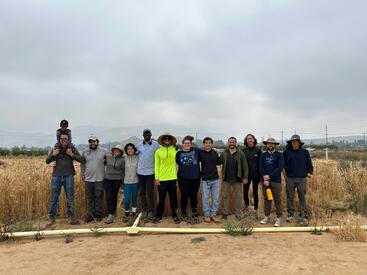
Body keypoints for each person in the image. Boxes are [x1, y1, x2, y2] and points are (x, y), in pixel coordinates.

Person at [45, 133, 84, 226]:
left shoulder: (72, 148)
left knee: (70, 198)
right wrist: (53, 155)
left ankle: (71, 218)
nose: (64, 140)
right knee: (54, 198)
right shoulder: (55, 148)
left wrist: (72, 155)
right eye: (62, 138)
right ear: (59, 139)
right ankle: (51, 218)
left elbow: (81, 159)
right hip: (56, 176)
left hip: (69, 176)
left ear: (68, 139)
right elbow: (47, 161)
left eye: (65, 138)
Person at [283, 134, 313, 226]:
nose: (295, 143)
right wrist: (286, 177)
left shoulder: (305, 152)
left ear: (299, 142)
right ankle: (290, 213)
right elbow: (282, 166)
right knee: (290, 197)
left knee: (302, 197)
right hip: (290, 178)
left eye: (296, 141)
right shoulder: (286, 152)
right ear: (291, 143)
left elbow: (309, 164)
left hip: (302, 178)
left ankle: (303, 214)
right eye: (293, 141)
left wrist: (309, 172)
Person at [219, 137, 249, 220]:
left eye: (233, 142)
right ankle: (225, 213)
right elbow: (218, 162)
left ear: (235, 143)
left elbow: (245, 166)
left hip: (237, 179)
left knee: (238, 197)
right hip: (226, 179)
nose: (231, 143)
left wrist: (245, 177)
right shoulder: (224, 153)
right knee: (224, 196)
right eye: (230, 142)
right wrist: (215, 153)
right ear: (228, 143)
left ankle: (238, 213)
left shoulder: (240, 153)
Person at [153, 132, 180, 224]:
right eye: (165, 139)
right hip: (162, 179)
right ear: (163, 140)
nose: (167, 140)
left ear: (171, 140)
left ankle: (174, 215)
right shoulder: (158, 151)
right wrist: (157, 178)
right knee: (161, 198)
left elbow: (185, 152)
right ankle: (158, 215)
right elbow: (156, 165)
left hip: (172, 178)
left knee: (173, 198)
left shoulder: (176, 150)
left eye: (169, 139)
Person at [81, 135, 107, 223]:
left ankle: (98, 215)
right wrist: (82, 174)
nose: (92, 143)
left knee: (99, 197)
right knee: (90, 198)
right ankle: (91, 215)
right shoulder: (85, 152)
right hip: (88, 179)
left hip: (99, 178)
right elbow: (82, 164)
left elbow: (109, 162)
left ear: (97, 142)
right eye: (90, 141)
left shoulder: (104, 151)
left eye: (94, 141)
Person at [259, 137, 284, 227]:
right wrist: (265, 178)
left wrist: (269, 176)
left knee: (277, 200)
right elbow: (260, 167)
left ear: (275, 145)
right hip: (265, 182)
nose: (270, 145)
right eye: (269, 143)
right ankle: (266, 216)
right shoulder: (263, 155)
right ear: (266, 145)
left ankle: (278, 218)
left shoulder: (279, 155)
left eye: (272, 144)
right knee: (267, 199)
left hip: (276, 181)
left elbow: (280, 168)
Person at [176, 136, 201, 223]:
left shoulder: (196, 151)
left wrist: (215, 150)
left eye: (188, 143)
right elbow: (178, 163)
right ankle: (183, 211)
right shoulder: (178, 153)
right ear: (183, 144)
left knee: (194, 195)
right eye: (185, 143)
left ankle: (194, 211)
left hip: (195, 178)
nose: (187, 144)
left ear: (191, 144)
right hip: (183, 178)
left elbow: (205, 153)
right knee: (184, 195)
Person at [137, 129, 160, 221]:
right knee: (142, 192)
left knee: (150, 192)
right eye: (145, 133)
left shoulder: (155, 144)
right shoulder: (138, 145)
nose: (147, 135)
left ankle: (151, 211)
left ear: (151, 134)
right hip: (140, 172)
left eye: (148, 133)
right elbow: (133, 153)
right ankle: (144, 210)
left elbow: (160, 153)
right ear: (143, 135)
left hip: (150, 172)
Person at [199, 137, 221, 223]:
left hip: (215, 179)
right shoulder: (200, 153)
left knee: (215, 198)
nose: (208, 144)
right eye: (206, 143)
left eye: (209, 143)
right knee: (205, 198)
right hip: (205, 180)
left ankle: (213, 215)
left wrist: (218, 153)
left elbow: (219, 162)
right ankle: (207, 215)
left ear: (211, 144)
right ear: (204, 144)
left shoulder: (215, 153)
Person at [104, 144, 125, 224]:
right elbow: (104, 163)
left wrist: (122, 182)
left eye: (119, 150)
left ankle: (113, 213)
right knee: (109, 197)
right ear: (113, 150)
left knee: (114, 196)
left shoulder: (122, 160)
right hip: (107, 179)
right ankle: (110, 214)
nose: (117, 151)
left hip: (117, 180)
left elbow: (123, 171)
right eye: (116, 150)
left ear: (121, 152)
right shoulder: (108, 157)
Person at [243, 134, 262, 219]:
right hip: (246, 175)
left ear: (254, 140)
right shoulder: (243, 151)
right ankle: (247, 208)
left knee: (255, 192)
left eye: (251, 138)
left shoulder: (258, 151)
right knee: (245, 192)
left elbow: (261, 164)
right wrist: (243, 176)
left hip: (256, 175)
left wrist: (261, 175)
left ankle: (255, 210)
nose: (249, 140)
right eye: (248, 139)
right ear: (246, 141)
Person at [123, 143, 139, 222]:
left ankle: (133, 213)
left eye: (131, 149)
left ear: (134, 150)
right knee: (127, 199)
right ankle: (126, 213)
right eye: (128, 149)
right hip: (126, 182)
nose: (130, 150)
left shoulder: (137, 158)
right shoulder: (124, 159)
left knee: (134, 198)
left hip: (136, 181)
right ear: (126, 150)